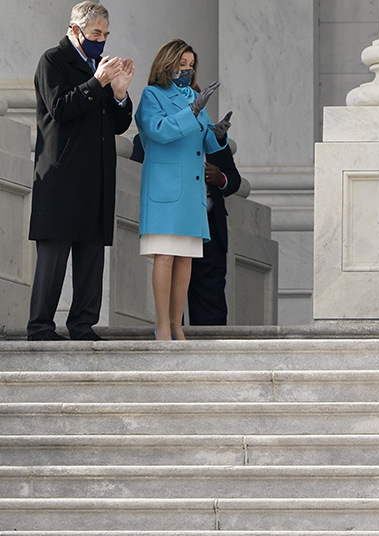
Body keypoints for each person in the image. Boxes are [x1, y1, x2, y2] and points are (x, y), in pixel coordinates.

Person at [27, 1, 134, 341]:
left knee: (91, 256)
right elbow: (60, 108)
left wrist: (118, 94)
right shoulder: (52, 60)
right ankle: (41, 326)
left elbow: (117, 126)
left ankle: (83, 325)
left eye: (105, 34)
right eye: (95, 33)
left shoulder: (97, 67)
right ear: (75, 30)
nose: (101, 40)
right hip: (61, 176)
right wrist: (98, 81)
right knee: (53, 257)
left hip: (96, 176)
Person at [135, 39, 230, 340]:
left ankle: (178, 324)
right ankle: (163, 324)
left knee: (185, 259)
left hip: (191, 191)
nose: (187, 71)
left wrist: (219, 135)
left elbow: (203, 141)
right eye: (182, 65)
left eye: (190, 66)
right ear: (168, 64)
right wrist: (192, 111)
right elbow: (158, 131)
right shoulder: (152, 95)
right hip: (165, 189)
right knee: (165, 256)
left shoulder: (194, 96)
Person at [131, 126, 241, 326]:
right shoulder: (149, 136)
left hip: (209, 226)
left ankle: (209, 353)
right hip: (171, 223)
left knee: (211, 297)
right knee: (170, 292)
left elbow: (234, 180)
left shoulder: (214, 137)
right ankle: (171, 341)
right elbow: (134, 174)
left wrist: (221, 178)